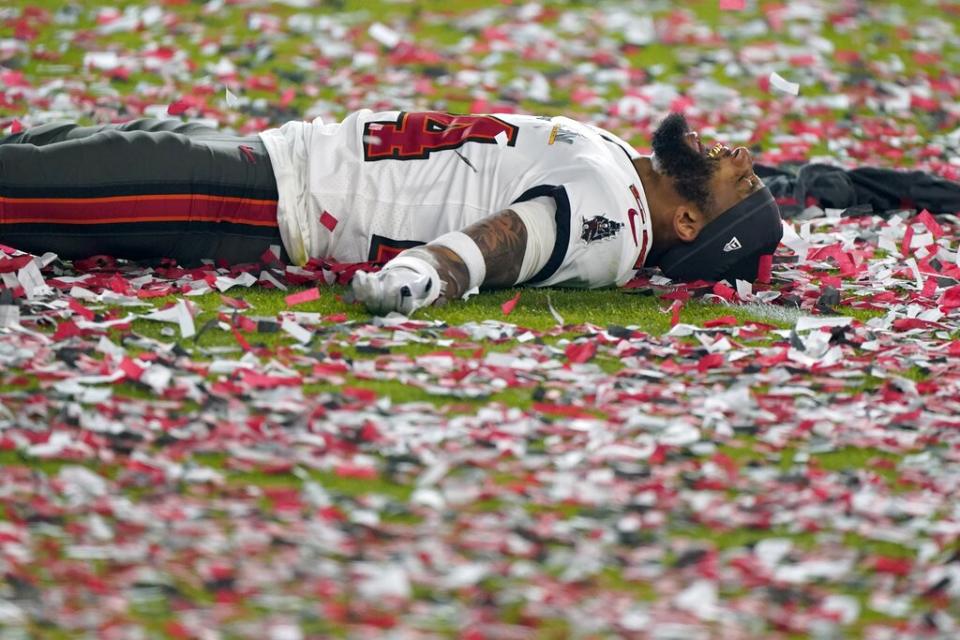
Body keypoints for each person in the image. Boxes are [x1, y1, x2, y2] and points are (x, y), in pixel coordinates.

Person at [0, 111, 783, 314]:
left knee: (20, 182)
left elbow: (514, 241)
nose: (743, 159)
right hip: (270, 157)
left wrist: (426, 272)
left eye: (741, 186)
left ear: (688, 225)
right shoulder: (621, 167)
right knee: (44, 151)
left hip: (255, 202)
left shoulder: (615, 218)